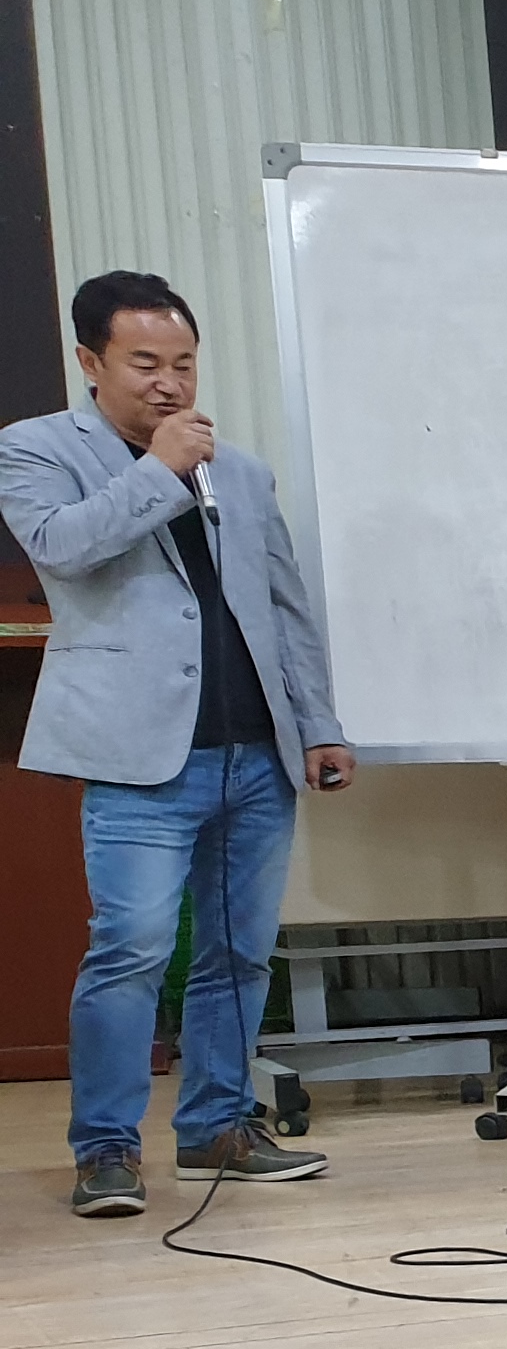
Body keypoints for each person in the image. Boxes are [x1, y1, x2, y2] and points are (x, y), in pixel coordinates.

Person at [1, 272, 355, 1216]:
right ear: (91, 363)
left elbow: (285, 605)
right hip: (138, 757)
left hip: (254, 750)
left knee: (238, 956)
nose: (171, 383)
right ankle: (107, 1150)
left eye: (185, 364)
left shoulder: (236, 469)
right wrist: (156, 470)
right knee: (129, 949)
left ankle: (218, 1128)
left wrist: (317, 724)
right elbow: (64, 547)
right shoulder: (35, 449)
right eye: (145, 364)